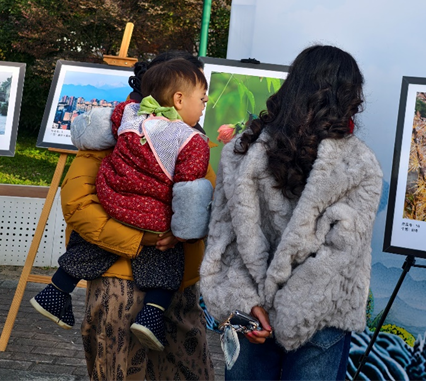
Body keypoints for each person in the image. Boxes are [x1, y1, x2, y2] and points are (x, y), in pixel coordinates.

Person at [200, 45, 383, 381]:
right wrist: (263, 308)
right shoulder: (359, 164)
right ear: (346, 96)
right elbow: (342, 251)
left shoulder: (242, 152)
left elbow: (224, 239)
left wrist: (255, 306)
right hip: (313, 316)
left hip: (272, 318)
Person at [32, 57, 213, 354]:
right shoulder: (191, 140)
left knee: (89, 245)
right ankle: (151, 315)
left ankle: (56, 290)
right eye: (202, 98)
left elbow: (91, 129)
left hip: (114, 197)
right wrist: (183, 233)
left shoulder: (128, 115)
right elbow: (191, 192)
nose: (205, 105)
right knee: (167, 260)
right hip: (149, 229)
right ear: (179, 99)